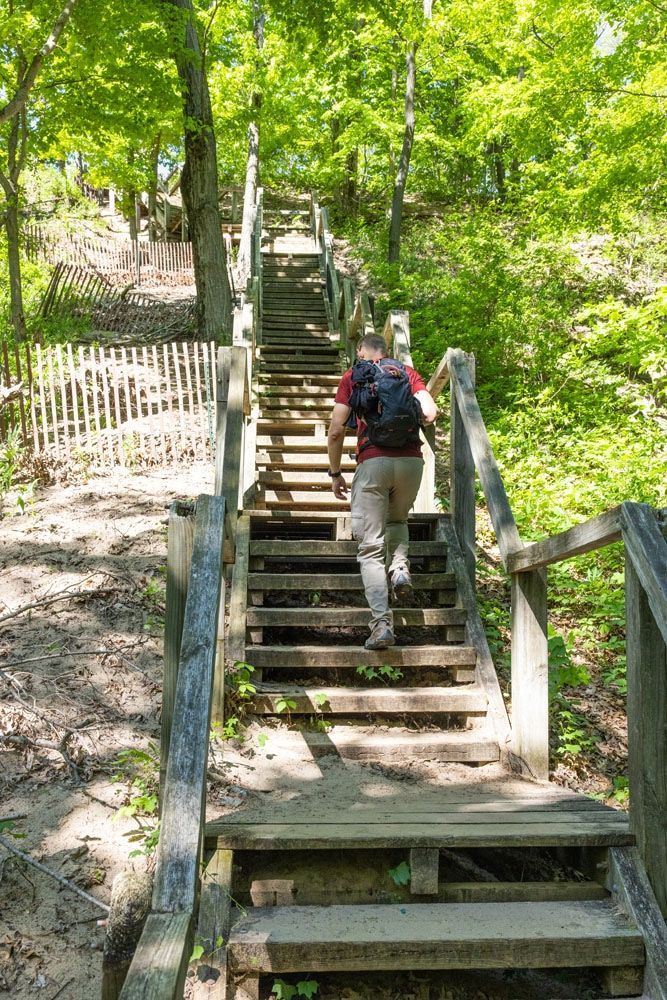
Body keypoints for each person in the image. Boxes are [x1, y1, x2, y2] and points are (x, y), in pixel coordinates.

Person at [327, 333, 438, 649]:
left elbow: (336, 431)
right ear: (386, 351)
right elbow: (430, 414)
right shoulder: (406, 373)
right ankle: (400, 567)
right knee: (398, 521)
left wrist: (335, 473)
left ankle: (381, 627)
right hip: (411, 463)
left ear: (361, 351)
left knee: (371, 548)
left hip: (373, 462)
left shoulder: (353, 376)